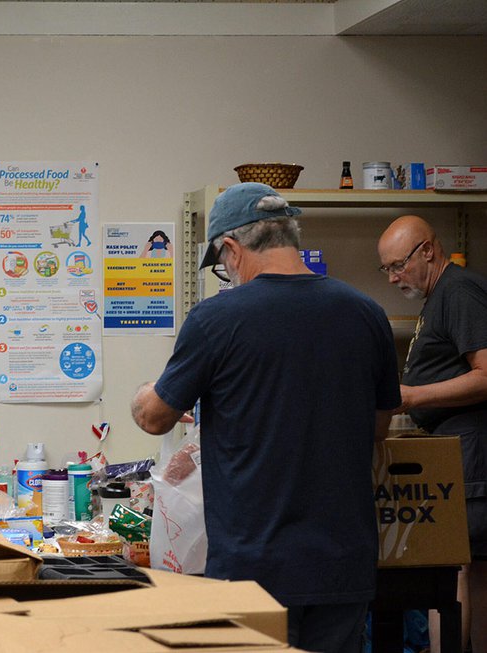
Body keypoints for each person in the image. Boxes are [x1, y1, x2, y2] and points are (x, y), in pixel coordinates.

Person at [130, 182, 401, 653]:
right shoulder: (366, 313)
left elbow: (155, 418)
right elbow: (379, 429)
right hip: (344, 565)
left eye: (221, 262)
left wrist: (144, 394)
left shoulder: (216, 319)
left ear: (232, 249)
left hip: (254, 567)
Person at [378, 215, 487, 653]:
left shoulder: (459, 291)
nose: (393, 277)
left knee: (460, 570)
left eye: (398, 265)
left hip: (473, 450)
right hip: (455, 445)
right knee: (467, 572)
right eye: (385, 269)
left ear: (428, 249)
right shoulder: (438, 294)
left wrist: (413, 396)